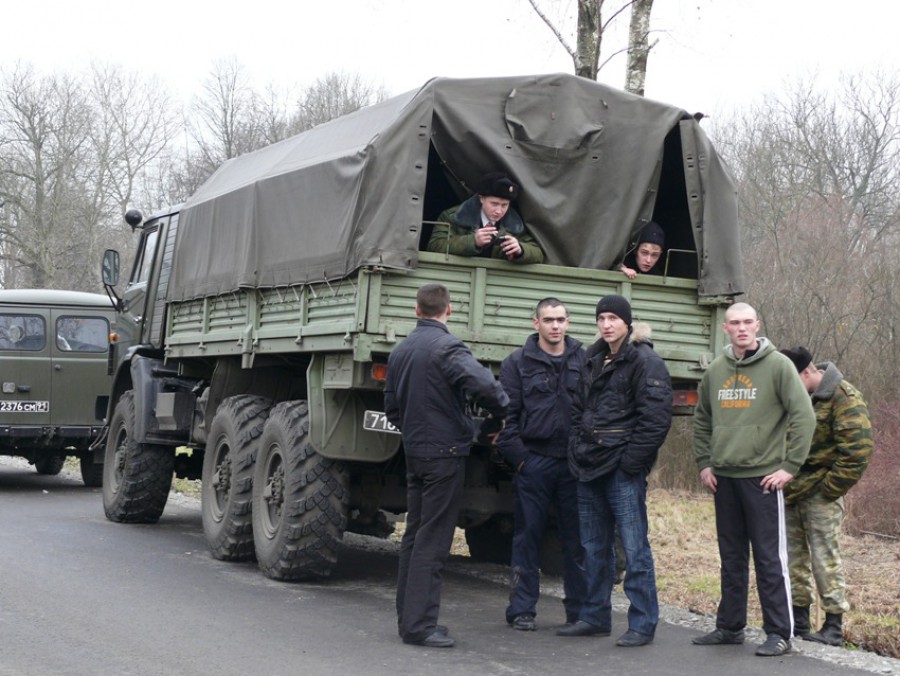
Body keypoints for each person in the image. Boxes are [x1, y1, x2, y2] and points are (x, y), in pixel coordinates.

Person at [384, 283, 509, 648]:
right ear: (448, 311)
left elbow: (392, 408)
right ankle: (421, 626)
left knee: (414, 534)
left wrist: (415, 430)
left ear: (417, 309)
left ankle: (408, 621)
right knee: (433, 540)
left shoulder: (401, 350)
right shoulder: (448, 348)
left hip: (415, 452)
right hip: (444, 456)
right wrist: (492, 422)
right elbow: (488, 387)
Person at [691, 302, 816, 657]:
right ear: (725, 329)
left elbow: (803, 416)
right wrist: (704, 463)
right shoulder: (715, 370)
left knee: (768, 558)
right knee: (731, 557)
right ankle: (730, 626)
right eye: (735, 323)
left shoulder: (778, 366)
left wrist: (789, 466)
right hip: (723, 478)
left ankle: (779, 632)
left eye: (748, 322)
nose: (742, 328)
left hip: (762, 479)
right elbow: (701, 421)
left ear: (757, 325)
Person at [558, 295, 672, 647]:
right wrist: (577, 451)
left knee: (635, 550)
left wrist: (629, 464)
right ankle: (594, 616)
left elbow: (654, 421)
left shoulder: (645, 361)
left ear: (627, 322)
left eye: (613, 318)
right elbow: (577, 411)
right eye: (601, 318)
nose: (606, 324)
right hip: (588, 466)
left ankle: (642, 623)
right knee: (593, 547)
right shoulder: (591, 359)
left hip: (622, 470)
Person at [495, 297, 587, 632]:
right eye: (549, 320)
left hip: (574, 464)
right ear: (536, 323)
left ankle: (579, 612)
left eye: (561, 319)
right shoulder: (517, 363)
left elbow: (594, 412)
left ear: (569, 322)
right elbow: (506, 420)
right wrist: (521, 461)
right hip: (535, 462)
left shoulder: (585, 359)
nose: (556, 326)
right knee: (527, 537)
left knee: (577, 541)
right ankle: (521, 610)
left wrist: (588, 456)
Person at [779, 347, 873, 646]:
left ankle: (832, 626)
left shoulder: (843, 397)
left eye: (791, 379)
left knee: (824, 559)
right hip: (790, 490)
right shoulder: (795, 397)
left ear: (808, 372)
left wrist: (828, 490)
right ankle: (800, 622)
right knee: (793, 559)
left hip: (821, 492)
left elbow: (857, 452)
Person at [426, 172, 544, 263]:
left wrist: (520, 250)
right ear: (481, 199)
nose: (499, 211)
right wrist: (473, 241)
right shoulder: (453, 216)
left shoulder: (516, 224)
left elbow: (538, 253)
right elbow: (435, 246)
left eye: (504, 205)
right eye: (494, 204)